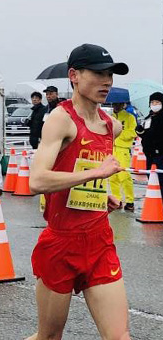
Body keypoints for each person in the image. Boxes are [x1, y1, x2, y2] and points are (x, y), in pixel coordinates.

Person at [26, 43, 131, 340]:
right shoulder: (61, 119)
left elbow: (84, 173)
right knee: (48, 337)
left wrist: (100, 194)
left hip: (99, 241)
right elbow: (37, 181)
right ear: (74, 75)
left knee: (119, 337)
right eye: (98, 74)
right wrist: (96, 174)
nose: (107, 81)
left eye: (110, 74)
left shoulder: (112, 126)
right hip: (61, 243)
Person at [110, 99, 137, 211]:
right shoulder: (110, 117)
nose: (116, 106)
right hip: (111, 149)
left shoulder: (129, 117)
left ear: (123, 104)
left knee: (124, 176)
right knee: (112, 177)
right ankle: (117, 200)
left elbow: (133, 132)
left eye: (118, 103)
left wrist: (119, 133)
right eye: (114, 103)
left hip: (123, 149)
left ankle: (130, 201)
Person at [136, 91, 163, 199]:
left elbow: (155, 135)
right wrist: (140, 131)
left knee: (160, 182)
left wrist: (150, 133)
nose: (154, 104)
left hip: (160, 155)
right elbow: (145, 135)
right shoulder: (148, 118)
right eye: (152, 102)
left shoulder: (160, 118)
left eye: (157, 102)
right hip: (149, 155)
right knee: (152, 181)